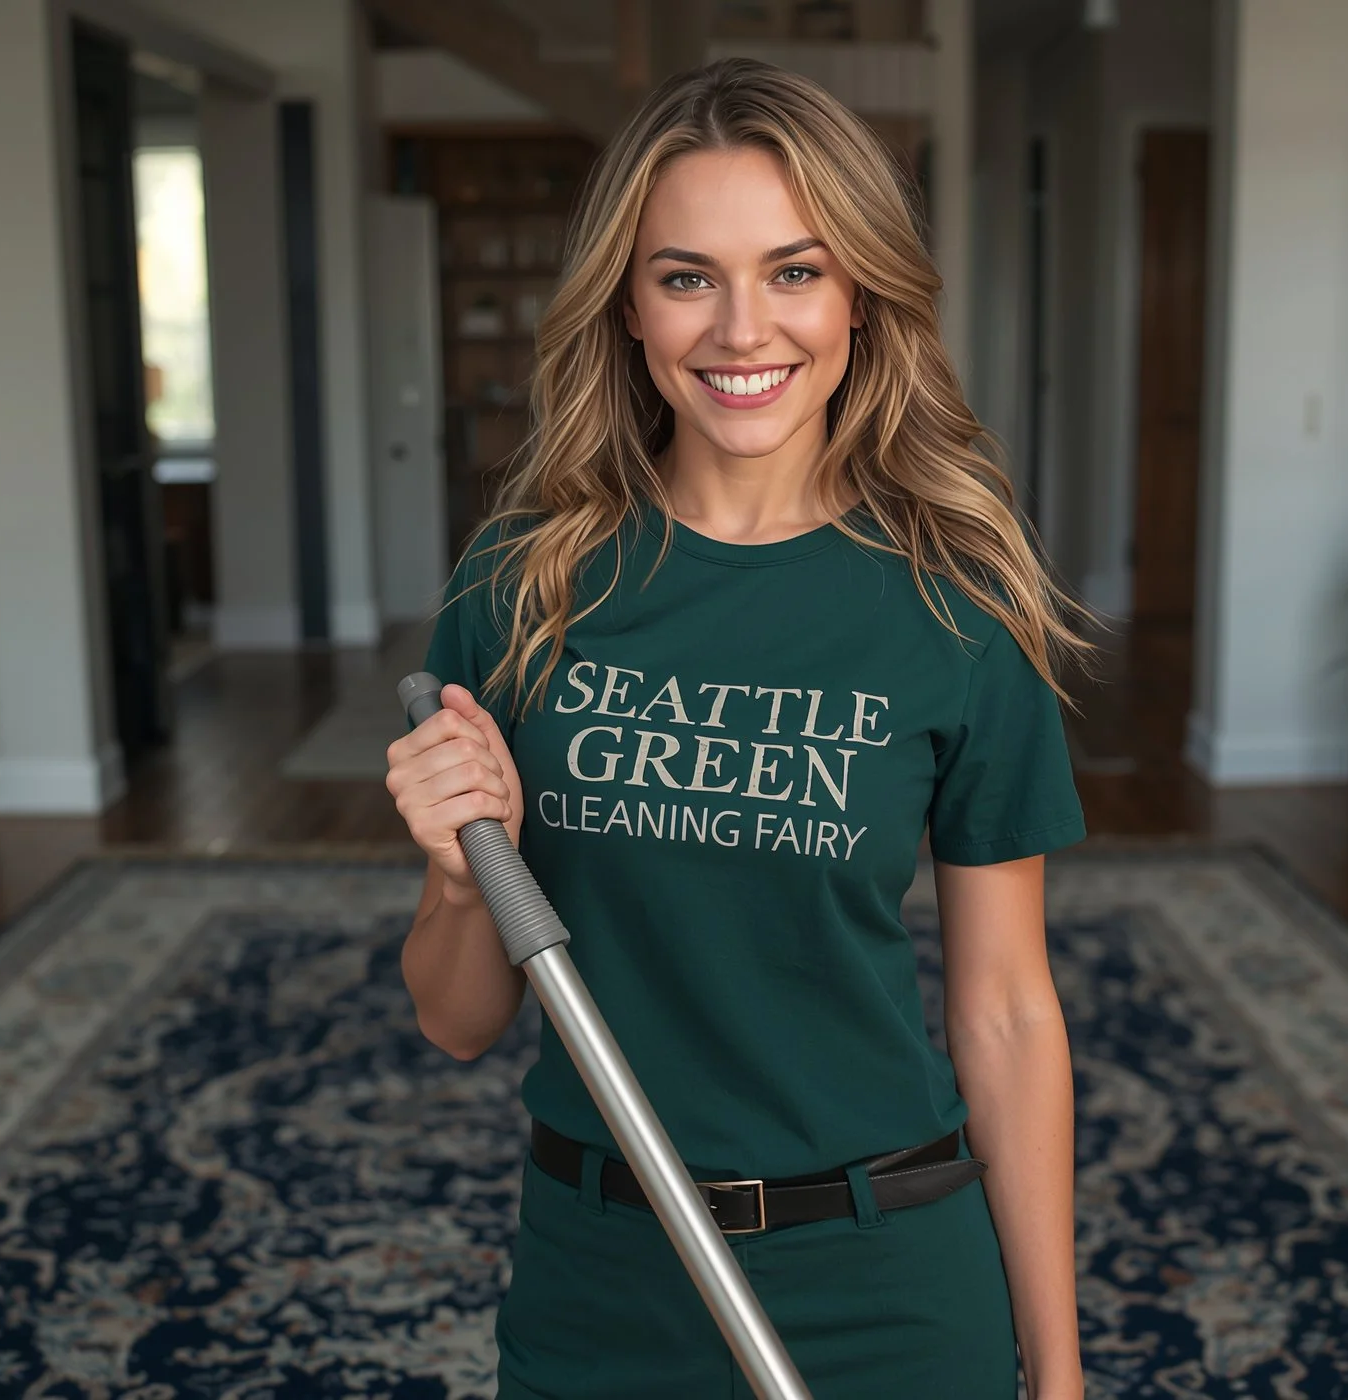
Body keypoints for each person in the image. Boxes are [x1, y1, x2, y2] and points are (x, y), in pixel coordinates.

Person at [384, 57, 1093, 1400]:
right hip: (606, 1276)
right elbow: (458, 1020)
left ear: (862, 296)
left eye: (795, 270)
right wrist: (452, 866)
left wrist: (1054, 1371)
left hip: (884, 1270)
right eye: (688, 275)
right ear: (630, 306)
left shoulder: (958, 603)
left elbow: (1004, 1011)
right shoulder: (524, 589)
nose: (741, 330)